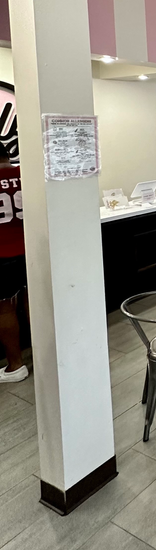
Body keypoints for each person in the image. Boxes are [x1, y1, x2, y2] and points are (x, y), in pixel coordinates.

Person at [0, 142, 28, 383]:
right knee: (34, 302)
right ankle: (46, 357)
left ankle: (15, 365)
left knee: (5, 308)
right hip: (31, 251)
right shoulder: (25, 175)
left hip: (3, 254)